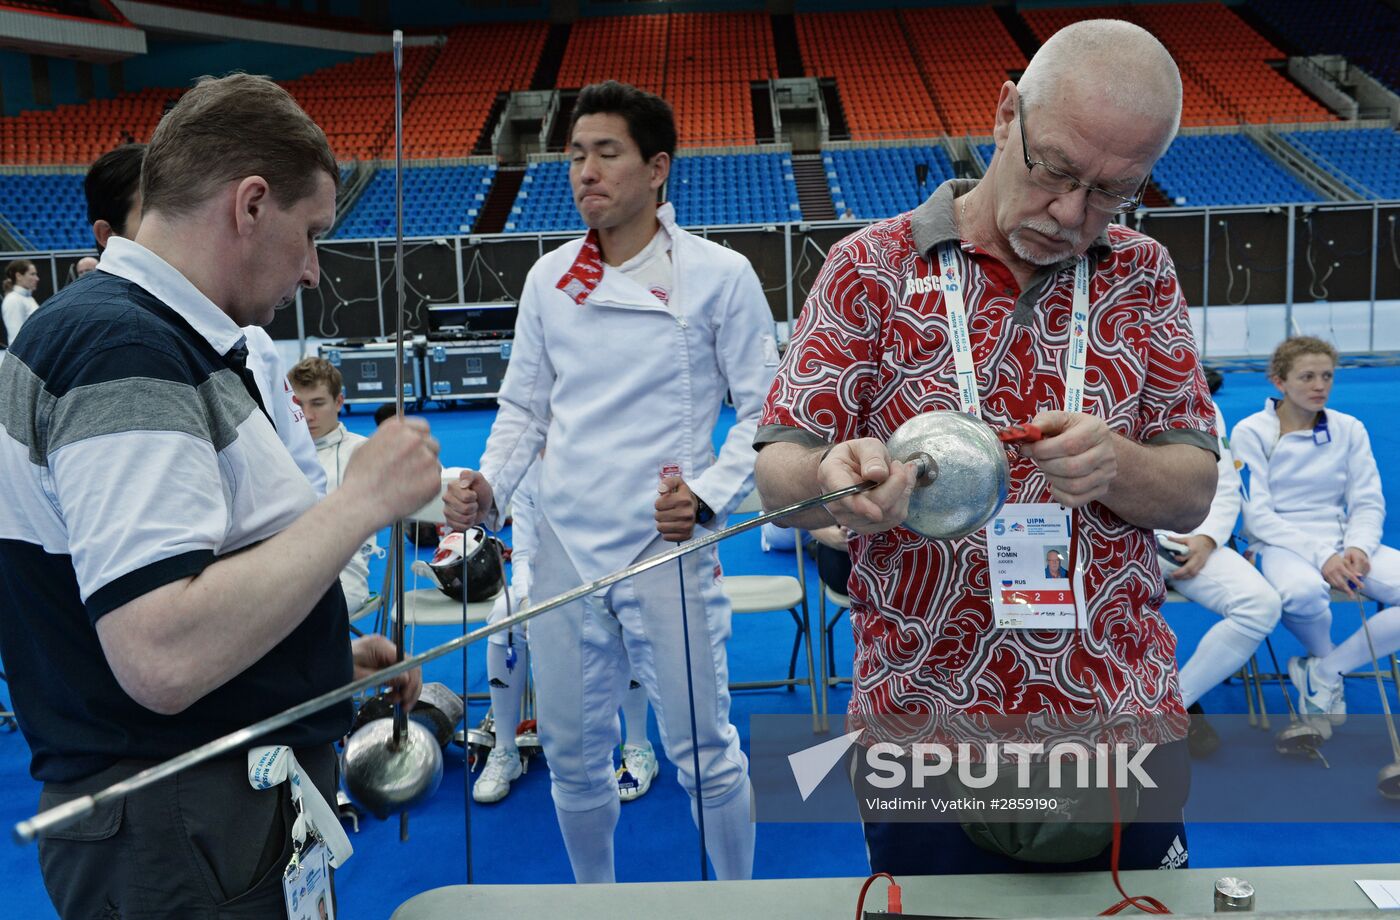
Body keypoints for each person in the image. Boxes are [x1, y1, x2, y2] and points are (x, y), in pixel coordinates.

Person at [752, 20, 1218, 875]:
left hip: (1119, 727)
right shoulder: (870, 268)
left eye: (1116, 192)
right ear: (1005, 114)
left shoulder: (1144, 273)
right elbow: (776, 469)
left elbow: (1192, 490)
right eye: (1057, 172)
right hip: (927, 732)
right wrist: (828, 477)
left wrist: (1120, 465)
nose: (1074, 214)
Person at [0, 73, 438, 917]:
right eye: (311, 234)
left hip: (194, 813)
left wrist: (311, 670)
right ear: (249, 206)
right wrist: (362, 501)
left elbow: (165, 583)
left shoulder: (145, 335)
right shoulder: (123, 348)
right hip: (180, 828)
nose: (313, 270)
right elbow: (160, 652)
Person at [445, 80, 778, 882]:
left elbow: (769, 407)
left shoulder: (719, 275)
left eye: (606, 153)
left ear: (657, 168)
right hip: (561, 543)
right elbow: (524, 407)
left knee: (705, 752)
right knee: (572, 754)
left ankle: (738, 901)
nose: (585, 171)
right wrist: (488, 488)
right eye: (575, 155)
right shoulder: (548, 279)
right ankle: (596, 901)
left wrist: (705, 496)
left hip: (663, 544)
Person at [83, 141, 326, 494]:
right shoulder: (103, 346)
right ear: (109, 236)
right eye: (153, 216)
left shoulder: (251, 338)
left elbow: (303, 474)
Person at [1234, 335, 1400, 739]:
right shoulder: (1250, 432)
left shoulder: (1349, 428)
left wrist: (1358, 545)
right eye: (1306, 376)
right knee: (1302, 592)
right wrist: (1323, 555)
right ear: (1279, 381)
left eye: (1326, 376)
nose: (1319, 385)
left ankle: (1324, 672)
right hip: (1278, 543)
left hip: (1344, 540)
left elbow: (1367, 499)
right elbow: (1257, 516)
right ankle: (1325, 670)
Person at [470, 456, 659, 806]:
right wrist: (527, 596)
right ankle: (505, 750)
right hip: (548, 583)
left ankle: (637, 745)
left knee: (626, 609)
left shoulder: (605, 452)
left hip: (610, 576)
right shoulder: (529, 471)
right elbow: (525, 552)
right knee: (504, 616)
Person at [1156, 377, 1281, 756]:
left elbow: (1225, 484)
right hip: (1098, 540)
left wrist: (1207, 539)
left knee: (1260, 604)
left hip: (1181, 539)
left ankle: (1172, 707)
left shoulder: (1199, 402)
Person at [288, 356, 379, 612]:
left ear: (339, 402)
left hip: (342, 575)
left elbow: (434, 482)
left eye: (317, 404)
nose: (307, 416)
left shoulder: (365, 451)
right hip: (281, 568)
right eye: (298, 404)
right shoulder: (277, 452)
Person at [1, 258, 40, 349]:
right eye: (32, 274)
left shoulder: (28, 298)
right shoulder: (13, 300)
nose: (37, 278)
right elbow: (16, 338)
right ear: (18, 276)